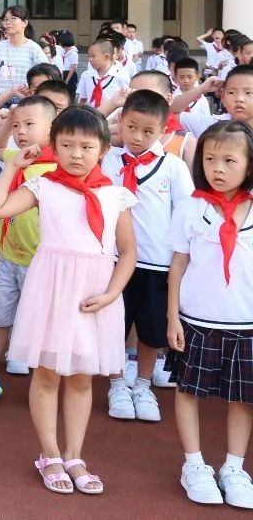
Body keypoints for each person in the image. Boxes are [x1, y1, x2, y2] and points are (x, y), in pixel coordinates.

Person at [0, 106, 137, 495]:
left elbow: (128, 250)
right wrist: (12, 168)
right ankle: (49, 453)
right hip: (51, 288)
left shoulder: (116, 195)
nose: (76, 153)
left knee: (82, 378)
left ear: (103, 148)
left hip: (94, 293)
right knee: (47, 373)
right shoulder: (43, 186)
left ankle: (74, 454)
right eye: (66, 145)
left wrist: (113, 292)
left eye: (86, 146)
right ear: (54, 146)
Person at [168, 122, 253, 508]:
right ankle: (194, 463)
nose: (218, 167)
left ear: (249, 165)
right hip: (197, 320)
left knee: (243, 398)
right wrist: (172, 317)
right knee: (188, 391)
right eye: (210, 158)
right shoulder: (192, 207)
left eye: (230, 160)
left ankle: (234, 466)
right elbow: (178, 265)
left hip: (245, 323)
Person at [100, 89, 193, 424]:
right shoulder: (108, 159)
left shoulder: (174, 167)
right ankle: (116, 384)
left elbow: (185, 215)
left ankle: (141, 384)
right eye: (131, 127)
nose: (137, 137)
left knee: (152, 331)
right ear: (121, 122)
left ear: (163, 131)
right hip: (114, 261)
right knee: (114, 327)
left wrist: (181, 264)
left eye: (148, 131)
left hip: (157, 264)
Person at [0, 96, 58, 404]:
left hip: (42, 261)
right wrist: (7, 122)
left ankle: (43, 384)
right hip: (9, 255)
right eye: (18, 125)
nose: (21, 131)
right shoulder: (15, 157)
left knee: (42, 324)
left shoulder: (59, 167)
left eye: (29, 125)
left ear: (53, 127)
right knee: (0, 317)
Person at [0, 6, 46, 103]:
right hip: (1, 100)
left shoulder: (34, 48)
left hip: (26, 101)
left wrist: (33, 88)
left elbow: (45, 75)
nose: (8, 22)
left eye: (13, 18)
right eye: (5, 19)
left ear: (25, 23)